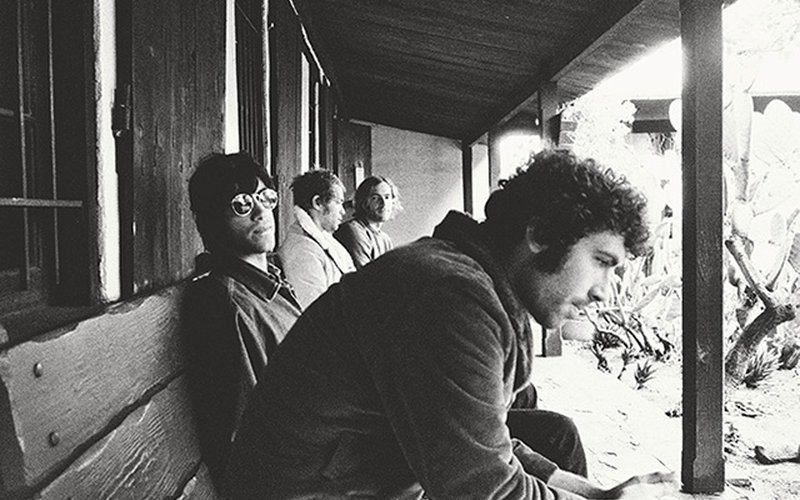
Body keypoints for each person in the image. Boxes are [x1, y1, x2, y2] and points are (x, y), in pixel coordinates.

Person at [225, 150, 676, 499]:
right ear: (539, 235)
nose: (604, 291)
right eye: (601, 262)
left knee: (557, 437)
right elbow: (483, 491)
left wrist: (595, 494)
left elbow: (482, 442)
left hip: (346, 485)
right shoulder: (451, 297)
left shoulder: (464, 281)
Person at [181, 152, 302, 486]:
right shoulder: (225, 304)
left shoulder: (271, 282)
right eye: (241, 205)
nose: (261, 212)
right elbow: (249, 439)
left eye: (266, 198)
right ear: (213, 219)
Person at [277, 169, 356, 308]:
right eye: (338, 202)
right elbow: (317, 311)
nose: (343, 211)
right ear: (318, 202)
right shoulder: (301, 250)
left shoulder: (326, 240)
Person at [334, 175, 399, 268]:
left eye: (387, 197)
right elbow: (365, 274)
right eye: (375, 198)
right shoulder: (353, 230)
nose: (384, 203)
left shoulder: (386, 240)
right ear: (364, 203)